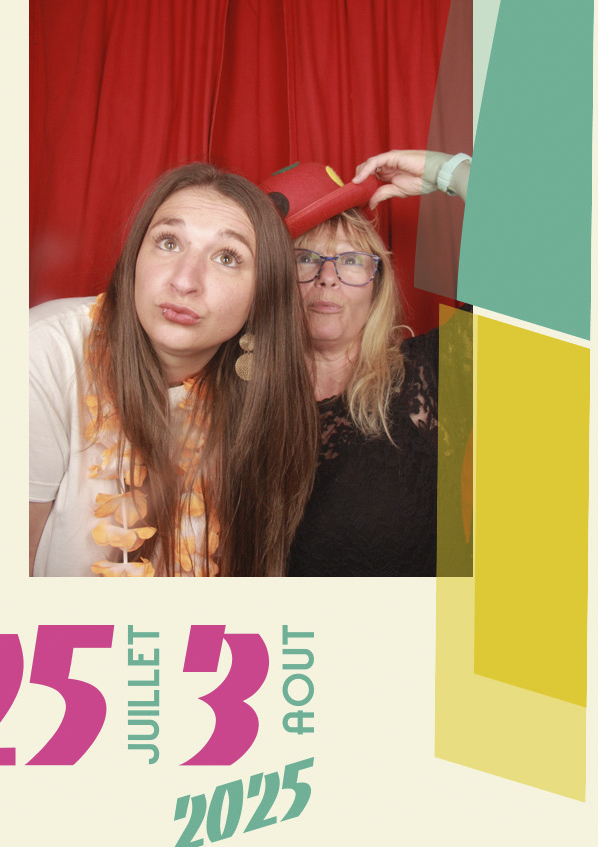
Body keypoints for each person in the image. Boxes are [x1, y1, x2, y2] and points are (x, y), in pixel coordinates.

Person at [29, 163, 316, 577]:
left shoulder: (269, 394)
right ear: (135, 257)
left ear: (263, 294)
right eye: (168, 242)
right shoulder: (44, 351)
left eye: (227, 257)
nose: (184, 281)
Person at [260, 160, 441, 576]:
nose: (328, 277)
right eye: (305, 258)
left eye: (352, 260)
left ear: (377, 282)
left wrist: (452, 174)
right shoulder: (228, 392)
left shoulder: (428, 373)